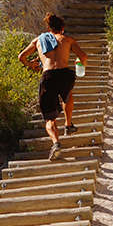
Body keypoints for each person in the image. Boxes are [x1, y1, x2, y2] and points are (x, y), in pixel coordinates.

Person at [18, 13, 87, 159]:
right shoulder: (68, 39)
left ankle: (56, 143)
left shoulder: (38, 40)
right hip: (64, 74)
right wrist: (80, 64)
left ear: (48, 27)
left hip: (48, 76)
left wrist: (31, 64)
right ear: (62, 28)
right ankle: (68, 125)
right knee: (67, 95)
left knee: (50, 119)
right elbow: (84, 56)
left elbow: (21, 57)